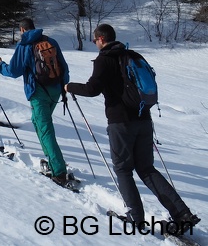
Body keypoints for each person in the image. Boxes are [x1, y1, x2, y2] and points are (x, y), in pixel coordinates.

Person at [65, 24, 201, 234]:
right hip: (144, 119)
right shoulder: (132, 55)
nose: (95, 44)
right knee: (146, 169)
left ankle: (135, 218)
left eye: (94, 41)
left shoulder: (105, 59)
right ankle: (182, 214)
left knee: (123, 169)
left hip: (121, 122)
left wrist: (69, 86)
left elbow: (92, 89)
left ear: (101, 39)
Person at [0, 17, 71, 187]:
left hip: (38, 93)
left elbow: (14, 71)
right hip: (55, 90)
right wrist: (64, 86)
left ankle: (59, 172)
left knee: (45, 129)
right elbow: (63, 66)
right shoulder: (50, 41)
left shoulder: (25, 45)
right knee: (38, 122)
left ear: (22, 30)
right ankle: (53, 160)